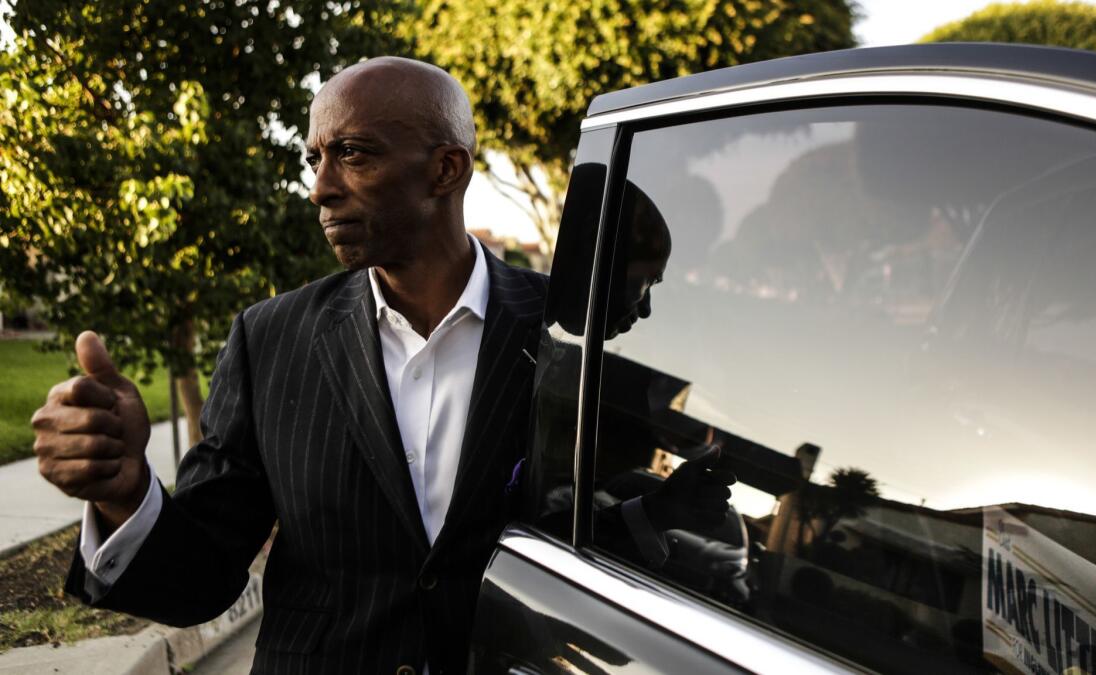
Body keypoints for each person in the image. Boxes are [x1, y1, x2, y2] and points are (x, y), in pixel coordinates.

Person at [31, 57, 732, 674]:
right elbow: (205, 579)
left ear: (445, 168)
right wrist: (125, 493)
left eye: (354, 154)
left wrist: (661, 510)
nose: (320, 188)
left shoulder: (563, 335)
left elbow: (575, 545)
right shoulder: (268, 339)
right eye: (315, 159)